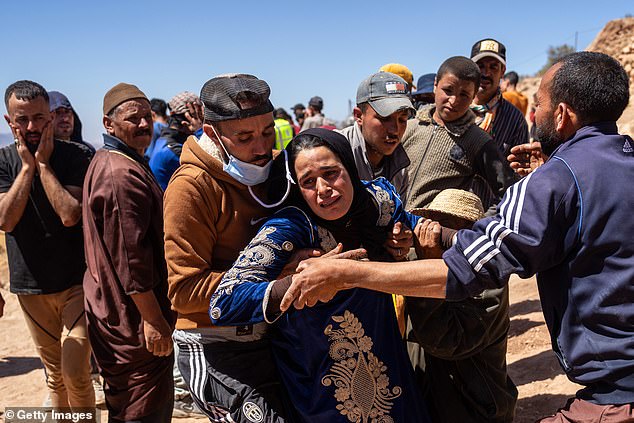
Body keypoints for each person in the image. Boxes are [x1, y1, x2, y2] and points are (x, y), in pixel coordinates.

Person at [282, 51, 634, 422]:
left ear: (561, 115)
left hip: (615, 394)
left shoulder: (549, 179)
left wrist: (347, 274)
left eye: (541, 104)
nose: (536, 114)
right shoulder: (615, 161)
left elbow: (460, 272)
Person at [210, 128, 431, 422]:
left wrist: (405, 236)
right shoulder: (291, 228)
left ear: (349, 168)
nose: (323, 188)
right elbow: (223, 301)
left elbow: (415, 225)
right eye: (308, 182)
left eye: (330, 173)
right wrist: (297, 283)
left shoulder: (376, 202)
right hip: (320, 376)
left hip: (385, 357)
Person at [163, 73, 298, 422]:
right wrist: (276, 281)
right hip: (213, 344)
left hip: (269, 335)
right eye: (244, 137)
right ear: (213, 135)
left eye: (267, 133)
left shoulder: (274, 173)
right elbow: (184, 290)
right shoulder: (192, 187)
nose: (260, 148)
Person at [83, 83, 176, 422]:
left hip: (117, 313)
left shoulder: (118, 160)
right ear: (108, 124)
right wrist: (153, 321)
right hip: (133, 323)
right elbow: (132, 262)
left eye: (146, 117)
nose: (142, 124)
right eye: (132, 118)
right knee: (142, 410)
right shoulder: (120, 175)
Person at [0, 80, 94, 411]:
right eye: (22, 120)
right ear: (9, 122)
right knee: (55, 376)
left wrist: (42, 165)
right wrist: (27, 168)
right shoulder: (3, 162)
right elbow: (5, 220)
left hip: (75, 284)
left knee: (76, 373)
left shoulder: (76, 155)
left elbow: (70, 214)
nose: (31, 127)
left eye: (39, 118)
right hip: (31, 287)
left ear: (50, 118)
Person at [407, 189, 517, 422]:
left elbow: (447, 341)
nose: (438, 234)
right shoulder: (420, 261)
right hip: (430, 403)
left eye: (447, 227)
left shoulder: (488, 282)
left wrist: (429, 267)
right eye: (435, 225)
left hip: (475, 408)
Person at [402, 56, 511, 213]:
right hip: (394, 232)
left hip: (436, 234)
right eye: (448, 91)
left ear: (473, 97)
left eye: (464, 95)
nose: (453, 100)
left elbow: (508, 194)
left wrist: (476, 228)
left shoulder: (477, 140)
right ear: (435, 85)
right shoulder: (410, 127)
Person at [337, 71, 414, 205]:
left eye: (402, 119)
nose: (395, 130)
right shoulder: (335, 153)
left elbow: (398, 218)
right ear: (359, 116)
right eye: (384, 118)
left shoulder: (400, 168)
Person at [470, 39, 529, 169]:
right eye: (480, 66)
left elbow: (518, 172)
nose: (486, 73)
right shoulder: (454, 107)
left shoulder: (515, 121)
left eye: (493, 67)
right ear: (471, 68)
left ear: (502, 71)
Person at [148, 91, 203, 190]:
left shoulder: (163, 140)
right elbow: (208, 164)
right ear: (188, 122)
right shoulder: (174, 150)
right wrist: (200, 130)